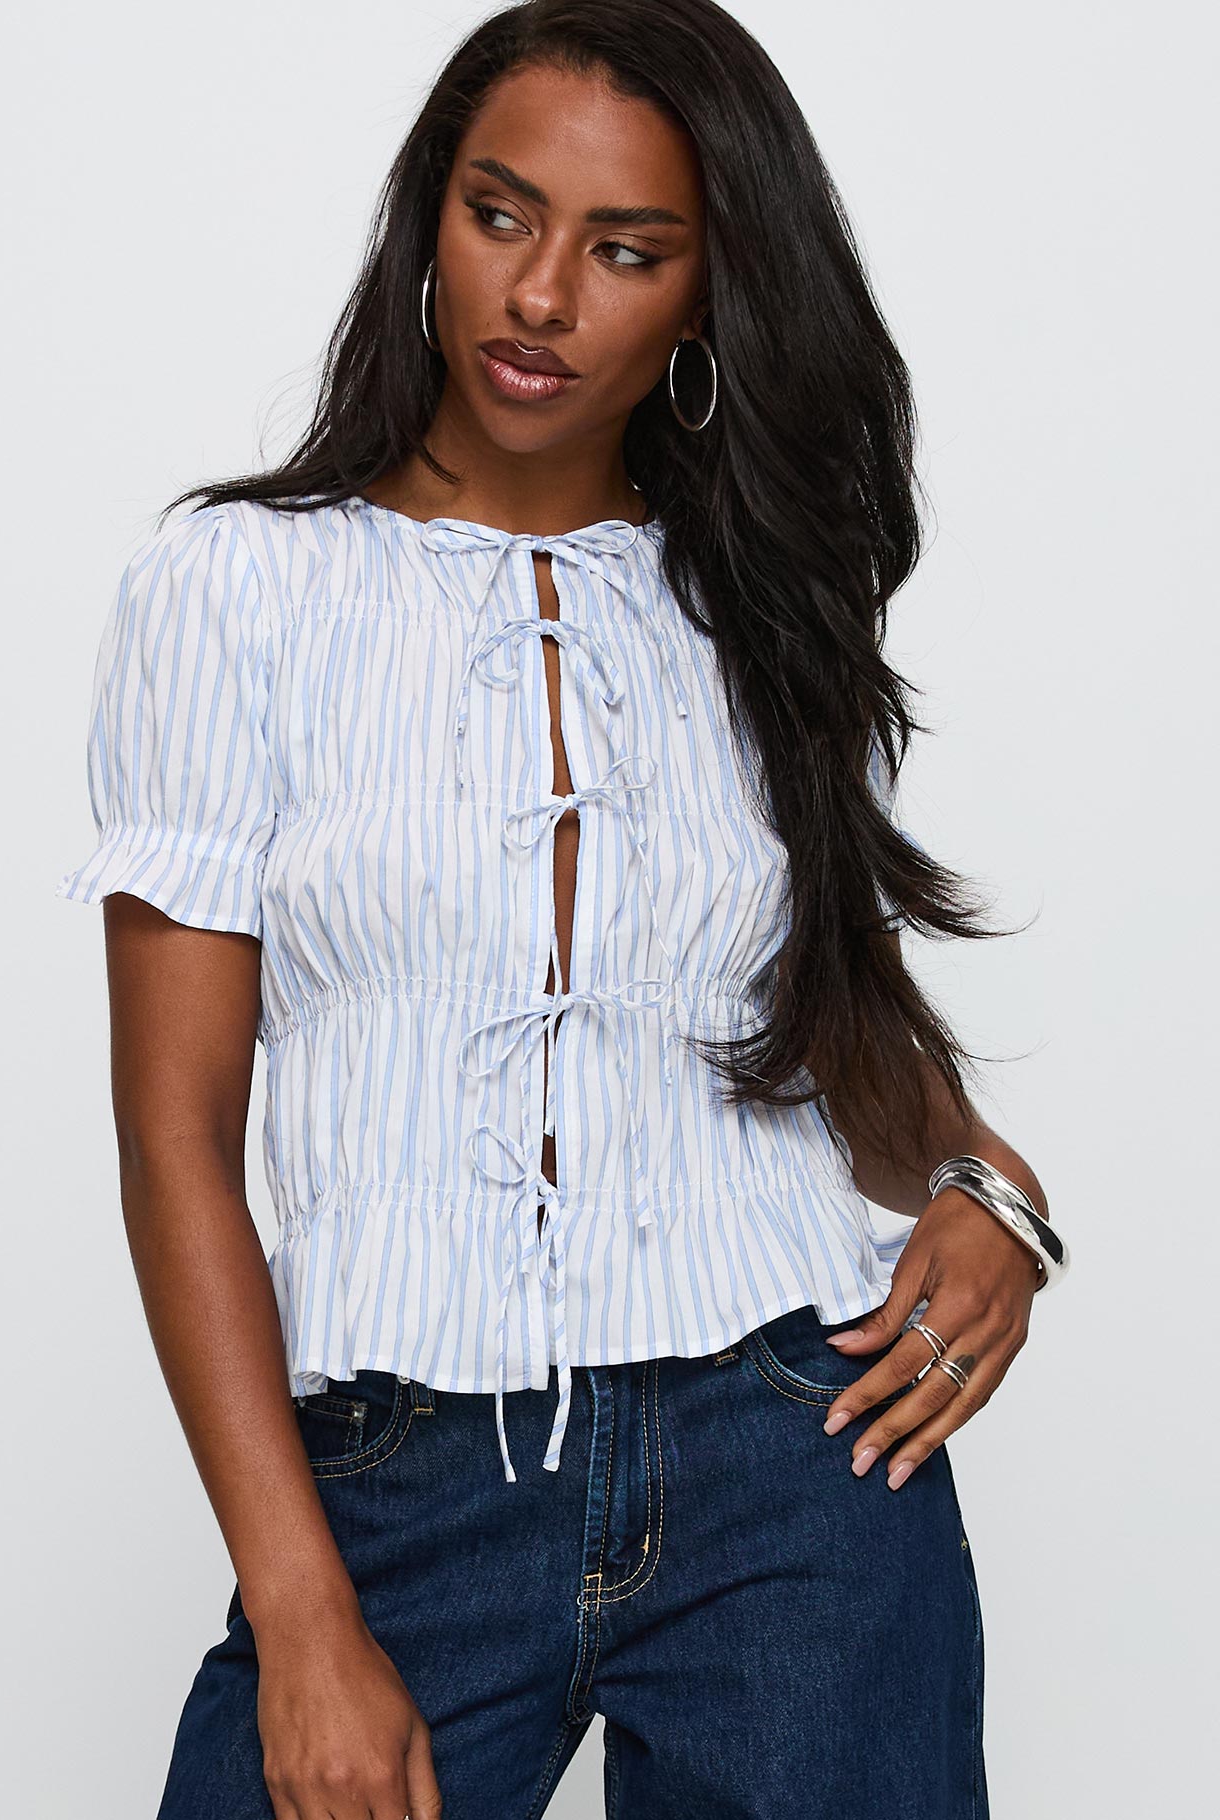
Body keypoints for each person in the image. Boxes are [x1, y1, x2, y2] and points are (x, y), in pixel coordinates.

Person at [56, 3, 1069, 1815]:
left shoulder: (759, 603)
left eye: (625, 250)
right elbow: (174, 1139)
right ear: (429, 219)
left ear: (706, 294)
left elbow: (814, 1033)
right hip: (400, 1475)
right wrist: (303, 1612)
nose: (538, 296)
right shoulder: (232, 591)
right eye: (500, 214)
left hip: (798, 1464)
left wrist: (988, 1187)